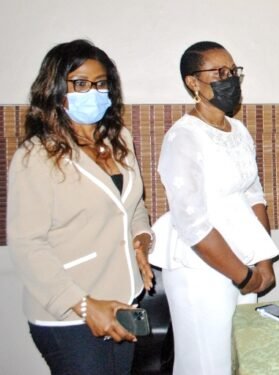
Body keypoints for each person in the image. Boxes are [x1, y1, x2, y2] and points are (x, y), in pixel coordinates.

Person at [7, 39, 153, 374]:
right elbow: (28, 246)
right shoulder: (36, 156)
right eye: (82, 84)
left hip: (124, 300)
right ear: (57, 89)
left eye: (101, 84)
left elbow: (132, 208)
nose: (94, 92)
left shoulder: (119, 141)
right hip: (70, 314)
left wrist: (142, 240)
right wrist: (85, 306)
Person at [152, 41, 277, 374]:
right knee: (208, 363)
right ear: (193, 82)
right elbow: (192, 223)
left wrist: (263, 261)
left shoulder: (239, 130)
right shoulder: (183, 137)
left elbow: (254, 196)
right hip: (202, 268)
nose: (230, 79)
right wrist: (243, 275)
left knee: (238, 358)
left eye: (233, 71)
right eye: (219, 73)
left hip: (246, 259)